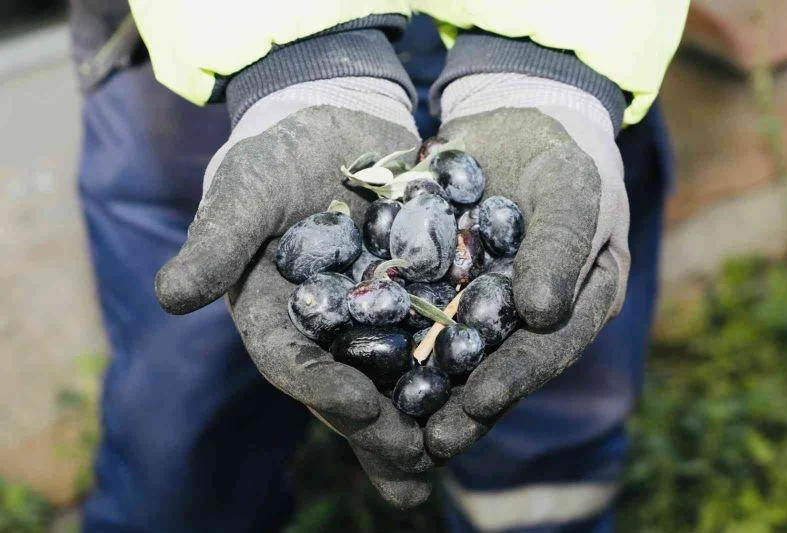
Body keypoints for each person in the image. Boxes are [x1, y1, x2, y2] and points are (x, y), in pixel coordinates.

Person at [70, 1, 688, 531]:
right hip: (211, 48)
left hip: (570, 42)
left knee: (549, 424)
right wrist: (292, 58)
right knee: (180, 433)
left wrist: (554, 64)